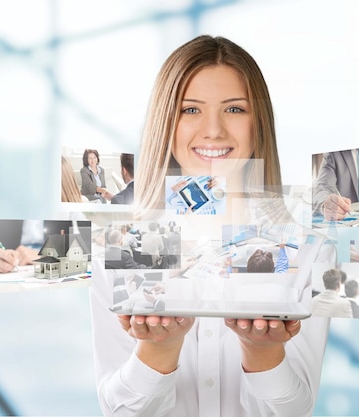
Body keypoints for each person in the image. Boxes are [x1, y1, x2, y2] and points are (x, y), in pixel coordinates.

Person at [90, 35, 329, 417]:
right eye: (190, 110)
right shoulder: (118, 244)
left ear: (258, 123)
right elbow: (118, 411)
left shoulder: (309, 246)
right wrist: (158, 351)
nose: (214, 130)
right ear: (165, 123)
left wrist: (263, 352)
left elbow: (295, 410)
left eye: (234, 110)